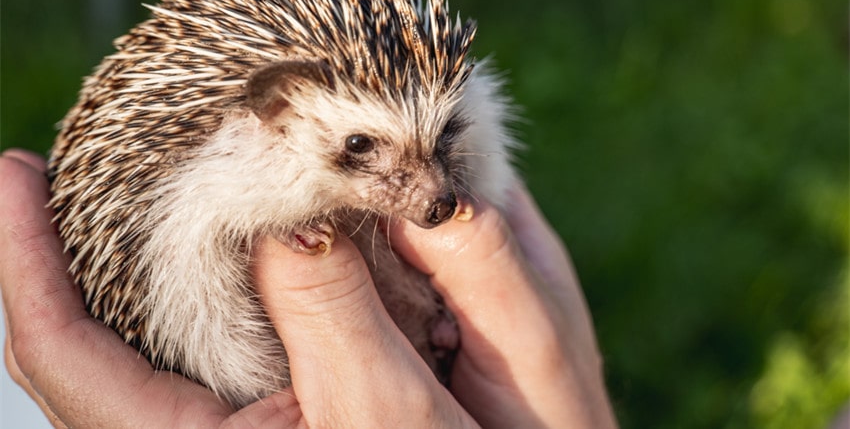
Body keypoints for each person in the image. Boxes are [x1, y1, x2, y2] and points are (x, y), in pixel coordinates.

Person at [0, 148, 618, 428]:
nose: (433, 193)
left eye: (438, 139)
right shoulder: (213, 177)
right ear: (270, 114)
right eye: (360, 147)